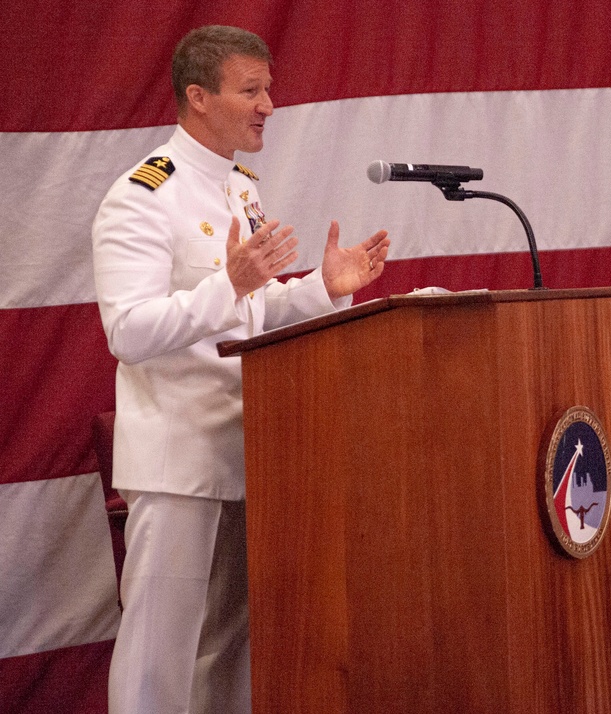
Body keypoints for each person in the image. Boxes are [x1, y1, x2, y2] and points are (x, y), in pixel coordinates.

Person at [91, 25, 390, 714]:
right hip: (177, 458)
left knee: (232, 647)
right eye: (249, 90)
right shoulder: (144, 194)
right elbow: (129, 331)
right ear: (198, 97)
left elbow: (247, 313)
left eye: (269, 89)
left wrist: (322, 285)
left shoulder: (239, 189)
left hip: (248, 447)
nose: (268, 104)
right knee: (157, 655)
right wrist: (228, 283)